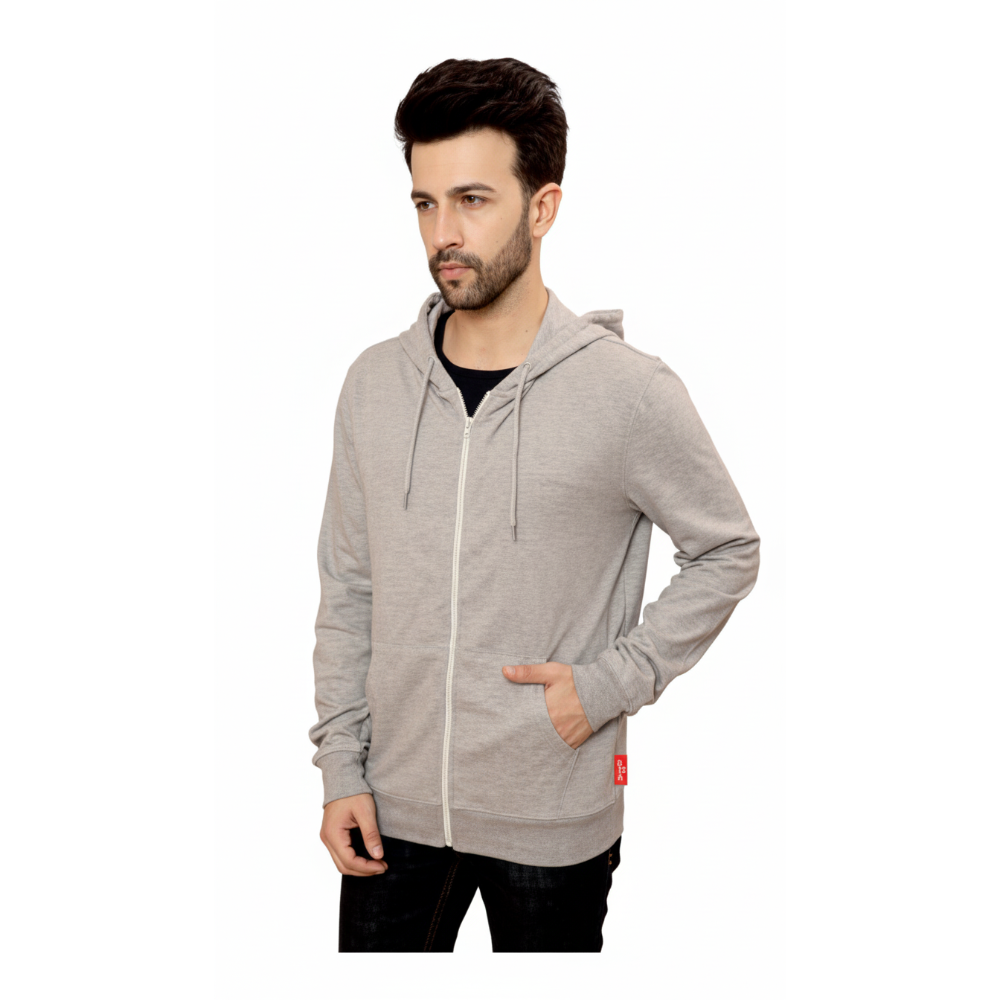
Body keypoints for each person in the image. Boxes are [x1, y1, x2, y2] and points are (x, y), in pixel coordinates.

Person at [309, 57, 761, 953]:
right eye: (425, 203)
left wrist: (607, 687)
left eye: (473, 200)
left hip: (553, 820)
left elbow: (727, 549)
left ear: (543, 207)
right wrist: (339, 770)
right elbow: (350, 588)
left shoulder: (628, 394)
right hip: (391, 814)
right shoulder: (374, 386)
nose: (444, 233)